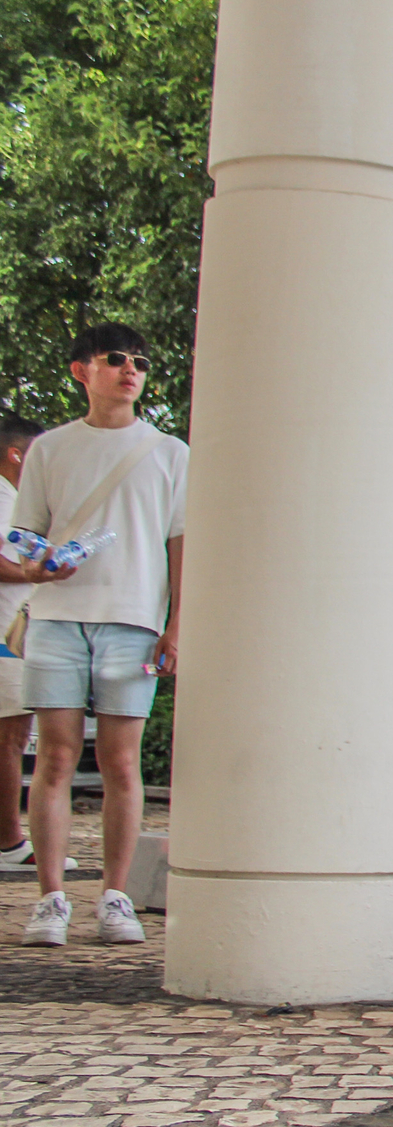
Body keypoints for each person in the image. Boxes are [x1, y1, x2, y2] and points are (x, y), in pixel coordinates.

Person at [10, 326, 186, 947]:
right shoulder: (50, 450)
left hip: (133, 620)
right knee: (54, 758)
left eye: (140, 361)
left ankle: (115, 896)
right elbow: (25, 531)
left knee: (120, 762)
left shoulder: (169, 452)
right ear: (82, 370)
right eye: (116, 359)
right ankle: (51, 898)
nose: (131, 370)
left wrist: (176, 625)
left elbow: (180, 543)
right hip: (58, 616)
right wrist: (39, 566)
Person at [0, 415, 47, 867]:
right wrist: (37, 574)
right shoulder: (5, 498)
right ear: (17, 455)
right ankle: (9, 842)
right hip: (5, 636)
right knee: (11, 738)